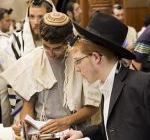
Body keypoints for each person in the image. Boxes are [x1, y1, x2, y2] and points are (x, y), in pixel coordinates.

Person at [0, 12, 100, 137]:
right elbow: (28, 104)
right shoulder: (33, 59)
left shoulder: (82, 59)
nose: (51, 53)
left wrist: (66, 121)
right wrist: (24, 125)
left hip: (75, 132)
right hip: (42, 133)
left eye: (57, 48)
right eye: (46, 46)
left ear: (68, 41)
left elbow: (93, 106)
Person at [61, 11, 150, 140]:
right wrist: (82, 133)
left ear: (96, 57)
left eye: (78, 61)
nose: (77, 69)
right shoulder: (107, 86)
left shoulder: (142, 85)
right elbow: (110, 127)